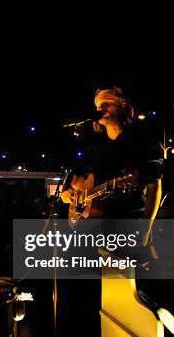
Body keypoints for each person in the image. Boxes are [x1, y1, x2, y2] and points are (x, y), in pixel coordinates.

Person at [61, 86, 163, 240]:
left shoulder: (143, 140)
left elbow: (154, 187)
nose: (100, 109)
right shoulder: (95, 143)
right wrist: (65, 191)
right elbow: (73, 171)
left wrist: (145, 228)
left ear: (123, 106)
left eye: (106, 104)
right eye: (97, 106)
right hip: (91, 227)